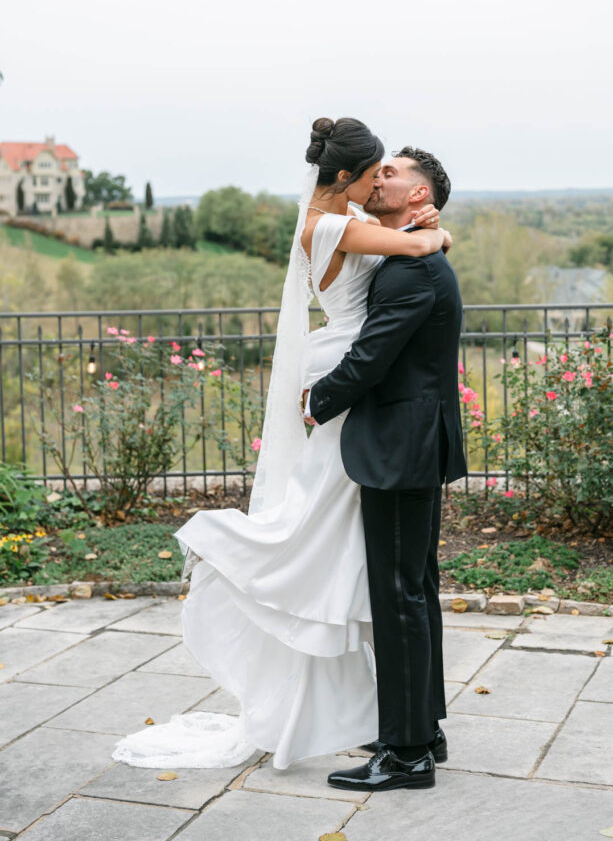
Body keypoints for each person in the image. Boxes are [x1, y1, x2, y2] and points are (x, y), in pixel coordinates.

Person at [111, 117, 450, 772]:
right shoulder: (329, 226)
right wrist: (431, 230)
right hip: (350, 383)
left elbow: (400, 243)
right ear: (345, 177)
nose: (380, 181)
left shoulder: (342, 220)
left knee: (351, 543)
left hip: (353, 382)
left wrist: (415, 223)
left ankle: (392, 714)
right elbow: (416, 249)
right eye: (375, 171)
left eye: (390, 174)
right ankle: (235, 547)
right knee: (322, 529)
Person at [305, 145, 467, 792]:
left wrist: (316, 401)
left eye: (394, 173)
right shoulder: (410, 254)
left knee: (397, 596)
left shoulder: (411, 271)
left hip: (400, 447)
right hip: (411, 443)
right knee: (413, 590)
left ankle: (406, 756)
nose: (381, 178)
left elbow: (370, 357)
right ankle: (420, 729)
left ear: (420, 198)